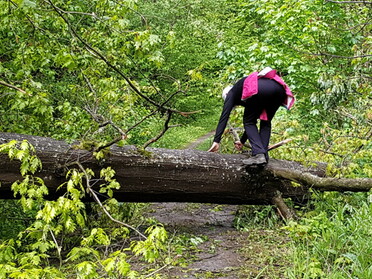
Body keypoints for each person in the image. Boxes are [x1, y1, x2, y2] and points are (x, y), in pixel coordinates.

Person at [207, 67, 295, 165]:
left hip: (261, 89)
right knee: (265, 121)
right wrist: (242, 141)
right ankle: (263, 156)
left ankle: (259, 154)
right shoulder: (245, 91)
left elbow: (224, 116)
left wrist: (216, 140)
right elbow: (252, 122)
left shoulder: (231, 93)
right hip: (279, 91)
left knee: (248, 121)